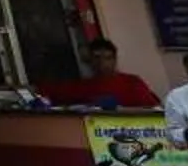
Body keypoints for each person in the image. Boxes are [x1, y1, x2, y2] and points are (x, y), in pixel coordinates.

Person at [37, 38, 165, 113]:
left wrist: (121, 110)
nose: (102, 62)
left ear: (114, 60)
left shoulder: (132, 82)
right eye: (96, 57)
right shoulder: (82, 86)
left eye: (107, 58)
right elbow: (49, 94)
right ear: (90, 61)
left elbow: (155, 110)